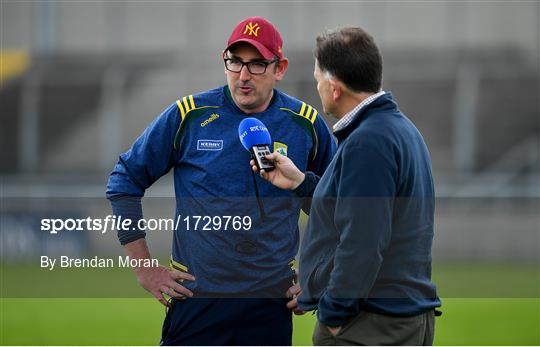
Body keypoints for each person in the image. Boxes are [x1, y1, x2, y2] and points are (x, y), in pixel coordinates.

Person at [106, 16, 336, 346]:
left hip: (270, 305)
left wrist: (319, 275)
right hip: (197, 301)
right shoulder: (189, 115)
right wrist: (144, 268)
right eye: (235, 62)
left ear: (279, 68)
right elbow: (124, 180)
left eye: (257, 64)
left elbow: (345, 205)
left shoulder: (305, 124)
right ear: (224, 62)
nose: (243, 76)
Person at [253, 27, 441, 345]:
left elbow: (363, 243)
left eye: (318, 79)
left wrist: (334, 314)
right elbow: (357, 217)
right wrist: (300, 182)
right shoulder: (398, 129)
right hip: (395, 317)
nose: (318, 87)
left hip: (370, 323)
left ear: (334, 87)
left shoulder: (368, 142)